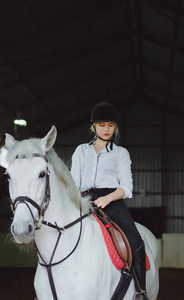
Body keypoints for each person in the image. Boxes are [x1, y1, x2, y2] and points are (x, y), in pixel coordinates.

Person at [70, 102, 148, 300]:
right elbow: (73, 182)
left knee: (135, 240)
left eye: (110, 125)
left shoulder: (121, 153)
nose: (106, 129)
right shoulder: (81, 151)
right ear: (94, 126)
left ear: (115, 127)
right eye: (102, 125)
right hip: (83, 200)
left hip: (111, 201)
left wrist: (107, 198)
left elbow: (126, 187)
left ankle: (140, 290)